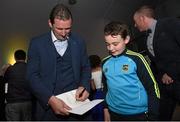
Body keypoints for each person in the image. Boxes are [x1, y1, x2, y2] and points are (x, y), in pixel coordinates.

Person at [26, 3, 91, 120]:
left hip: (77, 107)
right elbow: (31, 76)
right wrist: (50, 99)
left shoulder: (79, 42)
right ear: (50, 23)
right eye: (59, 28)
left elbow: (85, 68)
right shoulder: (36, 44)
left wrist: (84, 86)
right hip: (48, 110)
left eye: (68, 28)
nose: (64, 33)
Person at [102, 21, 160, 121]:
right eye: (107, 44)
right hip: (114, 114)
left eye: (115, 44)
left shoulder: (137, 59)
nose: (111, 48)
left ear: (126, 39)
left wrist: (153, 116)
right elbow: (106, 88)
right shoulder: (105, 62)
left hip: (137, 114)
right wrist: (106, 109)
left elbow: (153, 87)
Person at [133, 5, 180, 120]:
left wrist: (171, 72)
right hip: (164, 84)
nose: (134, 25)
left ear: (142, 18)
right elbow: (158, 61)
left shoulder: (170, 23)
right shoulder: (145, 38)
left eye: (135, 21)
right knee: (162, 115)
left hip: (178, 79)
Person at [3, 50, 32, 120]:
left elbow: (5, 83)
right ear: (25, 58)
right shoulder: (30, 69)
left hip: (13, 102)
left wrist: (3, 71)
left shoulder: (10, 69)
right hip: (27, 102)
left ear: (15, 58)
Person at [88, 55, 104, 121]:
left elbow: (93, 88)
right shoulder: (103, 70)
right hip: (105, 92)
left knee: (98, 112)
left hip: (97, 94)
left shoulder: (90, 73)